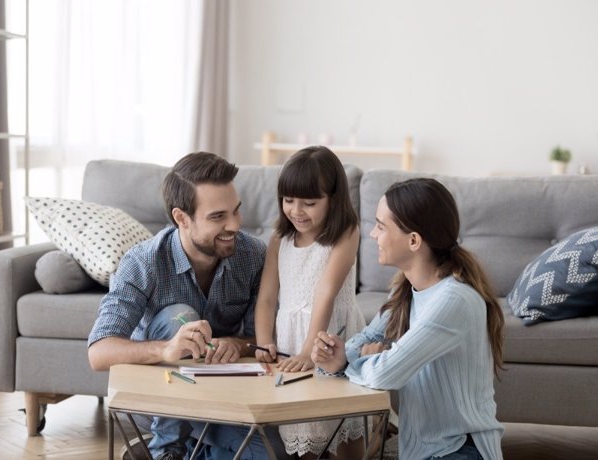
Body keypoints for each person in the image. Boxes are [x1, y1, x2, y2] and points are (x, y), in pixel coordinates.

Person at [87, 152, 286, 460]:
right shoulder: (143, 262)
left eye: (236, 211)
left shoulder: (253, 255)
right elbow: (98, 352)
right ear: (181, 218)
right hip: (161, 400)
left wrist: (236, 344)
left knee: (272, 452)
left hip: (223, 397)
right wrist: (165, 350)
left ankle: (193, 448)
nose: (234, 224)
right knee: (180, 317)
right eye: (218, 217)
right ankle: (167, 451)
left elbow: (260, 341)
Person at [311, 177, 505, 460]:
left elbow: (384, 373)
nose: (373, 235)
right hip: (421, 451)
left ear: (413, 240)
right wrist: (341, 355)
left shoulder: (453, 300)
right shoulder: (407, 291)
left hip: (460, 449)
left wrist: (347, 361)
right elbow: (361, 341)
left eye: (381, 226)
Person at [253, 146, 366, 459]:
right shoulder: (280, 238)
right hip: (292, 336)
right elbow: (266, 298)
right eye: (289, 200)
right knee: (305, 427)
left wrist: (308, 350)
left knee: (345, 423)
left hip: (330, 335)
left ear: (334, 199)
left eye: (310, 203)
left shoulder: (346, 231)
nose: (297, 210)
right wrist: (264, 343)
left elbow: (325, 291)